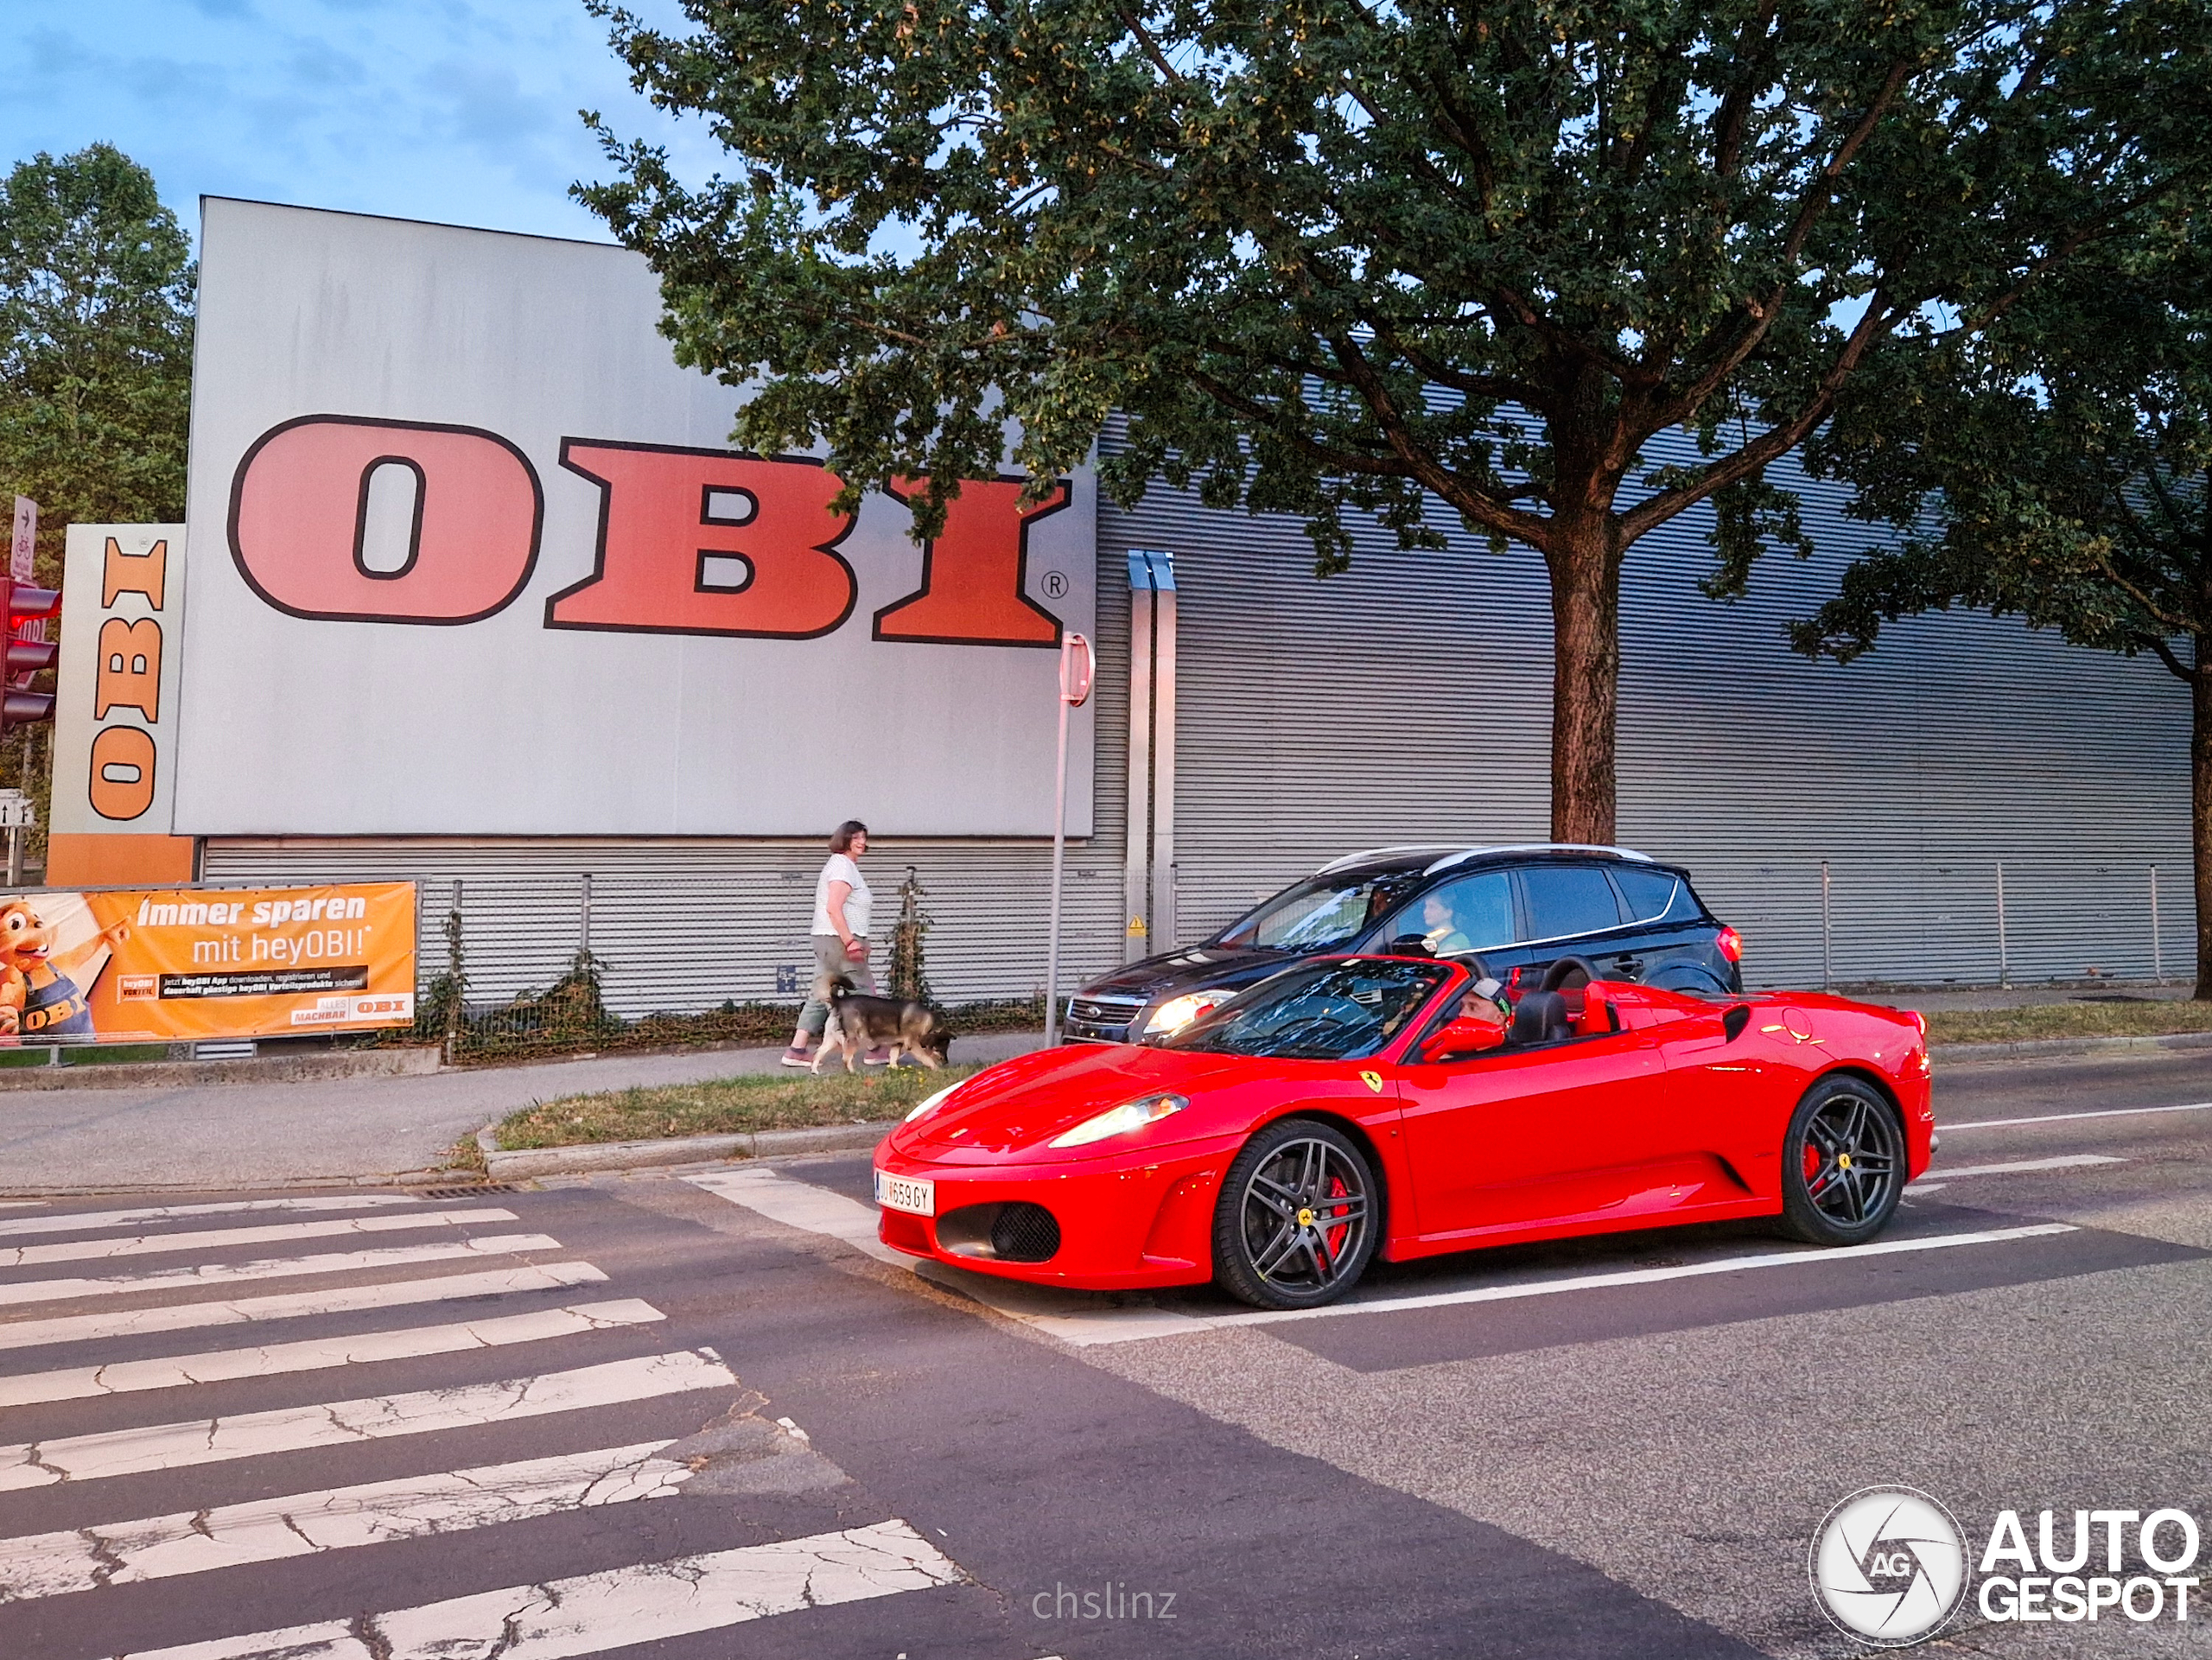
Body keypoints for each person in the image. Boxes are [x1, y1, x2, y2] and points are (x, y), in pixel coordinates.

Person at [783, 821, 886, 1067]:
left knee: (821, 993)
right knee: (863, 992)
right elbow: (834, 908)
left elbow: (848, 911)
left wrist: (862, 938)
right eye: (855, 837)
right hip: (839, 940)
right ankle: (875, 1049)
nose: (861, 842)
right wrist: (851, 942)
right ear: (844, 840)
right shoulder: (843, 867)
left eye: (863, 837)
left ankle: (796, 1049)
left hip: (827, 939)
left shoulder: (840, 865)